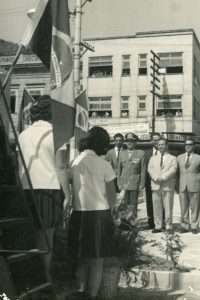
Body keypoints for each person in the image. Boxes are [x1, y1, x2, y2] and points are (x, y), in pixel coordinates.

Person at [18, 95, 67, 282]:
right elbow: (61, 166)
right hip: (49, 188)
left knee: (30, 238)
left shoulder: (23, 135)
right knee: (47, 239)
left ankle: (31, 278)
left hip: (26, 188)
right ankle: (44, 279)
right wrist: (68, 195)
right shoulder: (57, 133)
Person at [68, 126, 116, 300]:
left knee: (81, 259)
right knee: (97, 261)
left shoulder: (74, 163)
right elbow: (112, 198)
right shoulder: (104, 165)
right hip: (100, 217)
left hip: (79, 215)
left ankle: (80, 295)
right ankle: (92, 297)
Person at [148, 137, 177, 233]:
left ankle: (168, 226)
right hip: (156, 185)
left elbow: (173, 170)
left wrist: (163, 177)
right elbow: (150, 169)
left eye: (163, 144)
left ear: (166, 146)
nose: (160, 146)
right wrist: (156, 178)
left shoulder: (172, 158)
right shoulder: (153, 158)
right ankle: (158, 225)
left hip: (167, 185)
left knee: (168, 206)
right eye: (159, 144)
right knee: (156, 206)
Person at [176, 139, 200, 234]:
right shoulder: (179, 158)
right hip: (182, 186)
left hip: (195, 186)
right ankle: (184, 226)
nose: (187, 146)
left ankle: (194, 226)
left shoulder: (199, 158)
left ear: (194, 146)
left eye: (190, 144)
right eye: (186, 145)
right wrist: (177, 185)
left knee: (195, 207)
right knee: (183, 208)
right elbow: (176, 174)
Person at [117, 132, 146, 226]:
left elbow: (143, 170)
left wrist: (142, 184)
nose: (129, 143)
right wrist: (119, 183)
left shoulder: (141, 153)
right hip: (124, 183)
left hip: (134, 183)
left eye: (132, 141)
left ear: (135, 142)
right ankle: (124, 223)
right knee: (123, 204)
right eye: (128, 141)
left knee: (133, 204)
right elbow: (119, 170)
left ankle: (132, 223)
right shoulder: (122, 154)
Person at [144, 132, 161, 229]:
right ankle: (151, 222)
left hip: (160, 181)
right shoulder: (146, 153)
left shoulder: (163, 152)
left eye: (158, 139)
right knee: (150, 202)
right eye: (154, 140)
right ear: (151, 141)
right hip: (149, 181)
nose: (156, 142)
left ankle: (160, 221)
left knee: (160, 201)